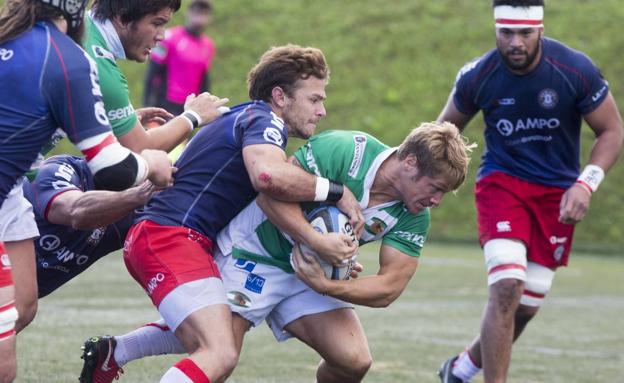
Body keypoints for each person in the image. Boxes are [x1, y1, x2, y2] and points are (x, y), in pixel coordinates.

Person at [81, 123, 475, 383]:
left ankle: (117, 349)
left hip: (309, 275)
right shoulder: (345, 151)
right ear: (408, 163)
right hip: (253, 253)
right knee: (217, 353)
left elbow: (389, 287)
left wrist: (325, 283)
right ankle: (119, 350)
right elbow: (270, 196)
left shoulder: (413, 214)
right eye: (435, 187)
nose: (437, 200)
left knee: (354, 360)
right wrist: (319, 242)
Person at [79, 44, 364, 383]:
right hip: (169, 236)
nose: (322, 111)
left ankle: (114, 352)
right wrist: (337, 190)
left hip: (175, 236)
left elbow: (268, 198)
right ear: (280, 96)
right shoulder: (263, 119)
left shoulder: (252, 121)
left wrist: (324, 251)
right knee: (220, 352)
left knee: (217, 330)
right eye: (315, 99)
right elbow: (268, 177)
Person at [436, 1, 624, 382]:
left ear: (540, 29)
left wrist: (586, 183)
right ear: (496, 30)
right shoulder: (478, 75)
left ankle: (461, 368)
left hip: (557, 195)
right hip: (502, 184)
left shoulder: (575, 70)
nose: (516, 42)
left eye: (525, 33)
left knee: (526, 305)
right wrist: (422, 182)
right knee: (506, 287)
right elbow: (441, 132)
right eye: (507, 33)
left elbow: (612, 131)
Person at [0, 0, 174, 380]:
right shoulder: (71, 57)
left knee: (23, 305)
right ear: (76, 12)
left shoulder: (15, 37)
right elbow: (114, 168)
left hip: (10, 188)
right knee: (3, 364)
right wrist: (153, 165)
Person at [21, 155, 160, 299]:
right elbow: (74, 210)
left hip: (21, 299)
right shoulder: (59, 170)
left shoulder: (132, 213)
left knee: (25, 309)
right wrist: (139, 195)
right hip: (9, 280)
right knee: (24, 308)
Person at [144, 0, 216, 116]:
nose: (199, 18)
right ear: (188, 13)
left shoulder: (208, 45)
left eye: (204, 14)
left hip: (190, 107)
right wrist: (147, 104)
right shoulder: (169, 38)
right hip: (165, 105)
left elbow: (204, 79)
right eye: (196, 13)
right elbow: (153, 72)